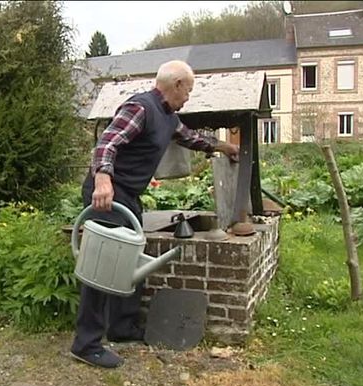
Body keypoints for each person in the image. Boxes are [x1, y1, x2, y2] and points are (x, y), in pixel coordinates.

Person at [70, 60, 239, 368]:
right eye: (187, 90)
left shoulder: (168, 117)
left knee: (132, 259)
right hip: (107, 194)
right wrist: (103, 179)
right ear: (176, 85)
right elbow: (106, 144)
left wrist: (222, 147)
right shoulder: (142, 108)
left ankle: (121, 327)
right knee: (103, 264)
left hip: (129, 196)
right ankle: (86, 343)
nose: (188, 97)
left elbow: (191, 138)